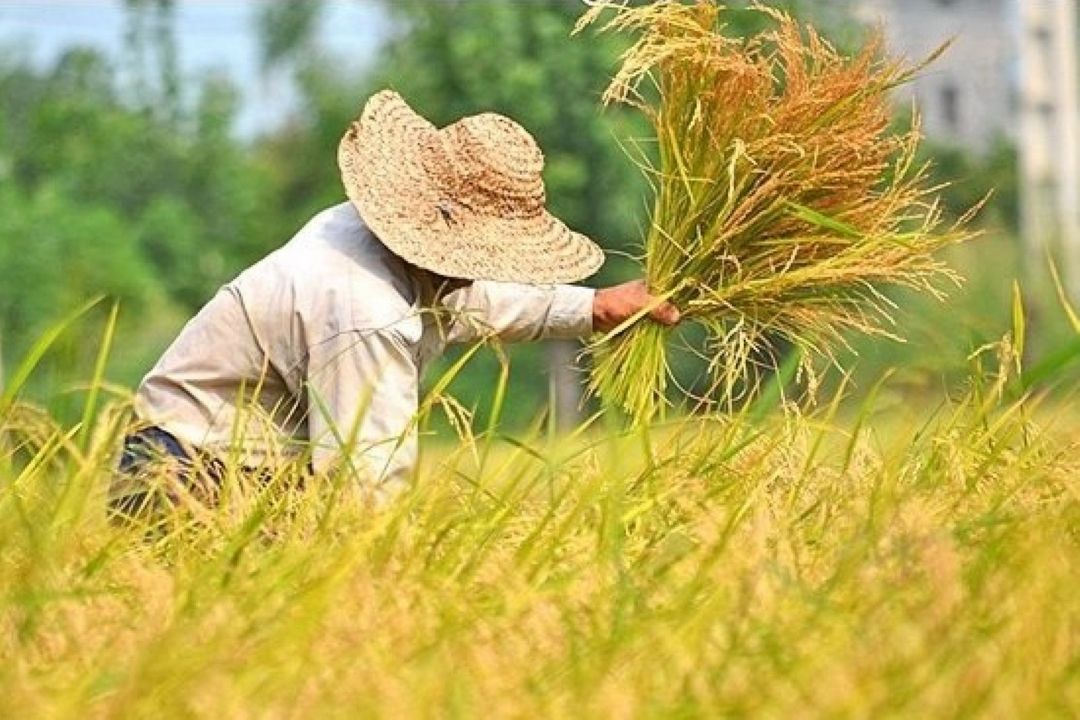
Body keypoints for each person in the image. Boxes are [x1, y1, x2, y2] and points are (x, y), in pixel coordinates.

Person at [111, 90, 679, 512]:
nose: (483, 271)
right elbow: (366, 487)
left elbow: (474, 302)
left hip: (240, 470)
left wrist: (595, 305)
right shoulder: (365, 311)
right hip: (187, 478)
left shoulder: (366, 233)